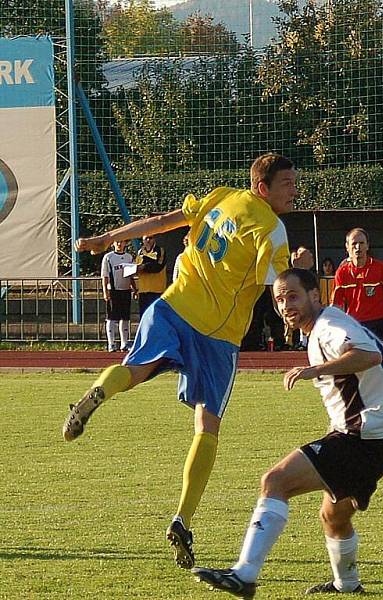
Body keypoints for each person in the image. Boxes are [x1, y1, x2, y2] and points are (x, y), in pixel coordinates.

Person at [62, 153, 297, 569]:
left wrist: (103, 241)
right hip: (216, 335)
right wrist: (300, 311)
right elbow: (275, 287)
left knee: (133, 369)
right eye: (287, 184)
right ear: (263, 188)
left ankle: (98, 391)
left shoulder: (221, 196)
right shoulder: (271, 229)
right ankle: (183, 519)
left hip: (170, 306)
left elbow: (159, 222)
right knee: (207, 426)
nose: (294, 190)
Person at [191, 268, 383, 598]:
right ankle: (347, 585)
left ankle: (244, 574)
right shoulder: (329, 323)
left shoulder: (329, 327)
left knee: (275, 481)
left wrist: (314, 370)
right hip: (376, 440)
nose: (286, 304)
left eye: (293, 296)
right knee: (333, 517)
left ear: (315, 296)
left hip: (359, 441)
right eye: (279, 299)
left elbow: (369, 355)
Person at [331, 228, 383, 340]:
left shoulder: (380, 268)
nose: (358, 247)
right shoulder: (342, 272)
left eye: (361, 243)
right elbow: (337, 304)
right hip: (352, 325)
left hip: (376, 325)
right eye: (354, 243)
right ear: (347, 247)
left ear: (367, 246)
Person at [100, 239, 137, 352]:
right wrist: (105, 291)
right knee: (111, 317)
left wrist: (134, 289)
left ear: (125, 243)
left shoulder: (129, 257)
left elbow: (130, 276)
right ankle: (111, 343)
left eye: (122, 242)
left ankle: (124, 343)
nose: (120, 244)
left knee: (125, 317)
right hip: (113, 291)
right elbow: (104, 276)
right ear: (113, 243)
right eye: (117, 242)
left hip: (125, 290)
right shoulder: (108, 257)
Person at [136, 234, 167, 316]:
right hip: (143, 290)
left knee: (156, 316)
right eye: (146, 238)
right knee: (144, 317)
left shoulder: (160, 250)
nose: (148, 240)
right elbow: (137, 267)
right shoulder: (140, 252)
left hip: (156, 290)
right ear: (143, 240)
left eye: (151, 238)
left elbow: (158, 267)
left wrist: (144, 267)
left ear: (154, 239)